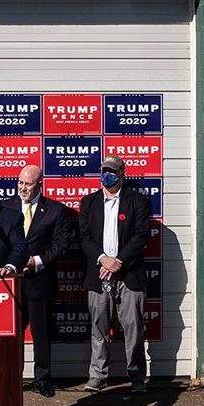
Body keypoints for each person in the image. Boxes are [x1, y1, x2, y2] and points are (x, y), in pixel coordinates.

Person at [78, 155, 152, 393]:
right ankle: (98, 376)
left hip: (129, 274)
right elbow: (85, 238)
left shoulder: (137, 201)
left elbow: (141, 235)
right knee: (98, 328)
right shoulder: (88, 202)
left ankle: (137, 377)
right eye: (104, 170)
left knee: (133, 329)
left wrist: (118, 261)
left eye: (112, 171)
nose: (106, 175)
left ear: (122, 174)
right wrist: (103, 259)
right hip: (98, 274)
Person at [1, 165, 73, 397]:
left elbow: (61, 246)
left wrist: (36, 261)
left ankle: (42, 379)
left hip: (40, 281)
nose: (22, 187)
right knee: (12, 334)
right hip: (11, 282)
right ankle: (12, 378)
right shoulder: (5, 208)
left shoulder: (56, 210)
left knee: (42, 334)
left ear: (40, 184)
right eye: (20, 182)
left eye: (28, 183)